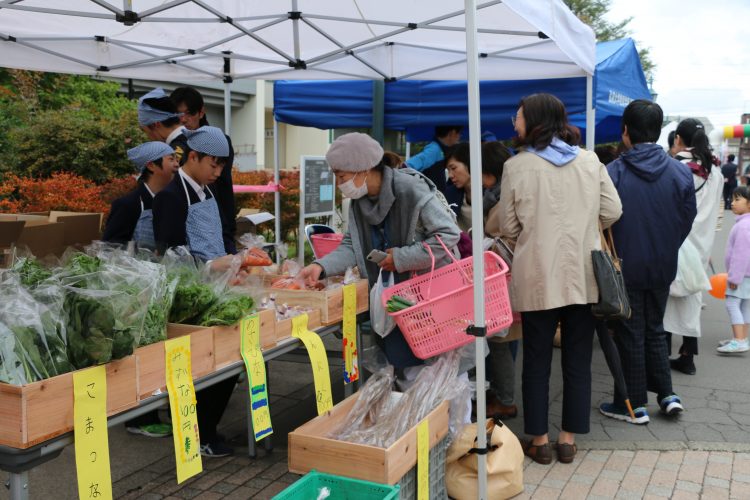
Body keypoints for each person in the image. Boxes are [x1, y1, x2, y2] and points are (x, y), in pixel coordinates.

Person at [496, 93, 622, 465]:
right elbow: (613, 209)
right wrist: (585, 225)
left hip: (536, 276)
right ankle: (567, 440)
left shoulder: (516, 167)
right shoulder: (589, 160)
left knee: (535, 361)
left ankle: (539, 440)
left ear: (532, 120)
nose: (514, 121)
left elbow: (507, 226)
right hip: (585, 275)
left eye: (517, 115)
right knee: (578, 359)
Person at [298, 132, 461, 375]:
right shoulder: (359, 202)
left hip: (422, 299)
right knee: (395, 369)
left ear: (363, 170)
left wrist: (401, 258)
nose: (338, 183)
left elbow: (448, 236)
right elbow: (353, 247)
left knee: (422, 372)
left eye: (341, 176)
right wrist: (321, 267)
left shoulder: (411, 190)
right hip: (387, 298)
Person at [599, 100, 696, 425]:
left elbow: (603, 218)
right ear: (659, 131)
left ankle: (633, 404)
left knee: (629, 331)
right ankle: (667, 395)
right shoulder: (680, 173)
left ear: (625, 131)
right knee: (655, 328)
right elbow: (686, 219)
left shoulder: (613, 172)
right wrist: (666, 246)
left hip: (625, 264)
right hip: (663, 263)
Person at [152, 126, 238, 457]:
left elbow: (220, 235)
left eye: (221, 167)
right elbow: (169, 255)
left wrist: (233, 261)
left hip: (215, 290)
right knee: (200, 369)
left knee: (225, 363)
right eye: (213, 165)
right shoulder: (171, 198)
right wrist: (209, 267)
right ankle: (197, 434)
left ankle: (205, 430)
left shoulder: (206, 191)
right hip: (187, 297)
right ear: (193, 157)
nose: (217, 173)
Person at [445, 141, 517, 419]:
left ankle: (505, 398)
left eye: (455, 167)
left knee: (500, 340)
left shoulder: (500, 198)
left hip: (498, 276)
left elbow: (505, 236)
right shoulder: (462, 196)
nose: (451, 175)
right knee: (497, 339)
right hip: (485, 274)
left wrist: (482, 243)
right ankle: (496, 393)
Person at [665, 118, 724, 376]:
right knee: (691, 296)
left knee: (665, 297)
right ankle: (687, 355)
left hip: (677, 240)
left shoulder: (677, 166)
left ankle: (661, 354)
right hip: (701, 241)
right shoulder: (716, 169)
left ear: (678, 138)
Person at [171, 86, 237, 253]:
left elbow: (221, 184)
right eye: (179, 114)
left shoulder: (219, 141)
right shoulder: (174, 144)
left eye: (189, 113)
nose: (184, 119)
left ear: (201, 112)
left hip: (218, 215)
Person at [103, 142, 178, 249]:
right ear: (151, 166)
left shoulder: (174, 202)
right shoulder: (127, 205)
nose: (177, 164)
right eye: (171, 159)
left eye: (176, 159)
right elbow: (109, 248)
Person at [717, 186, 750, 354]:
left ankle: (738, 341)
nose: (733, 202)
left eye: (738, 199)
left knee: (732, 303)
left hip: (741, 275)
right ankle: (742, 338)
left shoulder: (743, 226)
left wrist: (734, 278)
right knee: (744, 305)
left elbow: (741, 254)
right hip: (747, 275)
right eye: (732, 199)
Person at [137, 88, 190, 166]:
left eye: (145, 131)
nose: (147, 137)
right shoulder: (194, 138)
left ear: (156, 125)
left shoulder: (172, 155)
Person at [405, 125, 462, 194]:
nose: (459, 137)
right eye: (458, 133)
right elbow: (406, 166)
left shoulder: (439, 149)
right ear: (452, 133)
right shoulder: (434, 150)